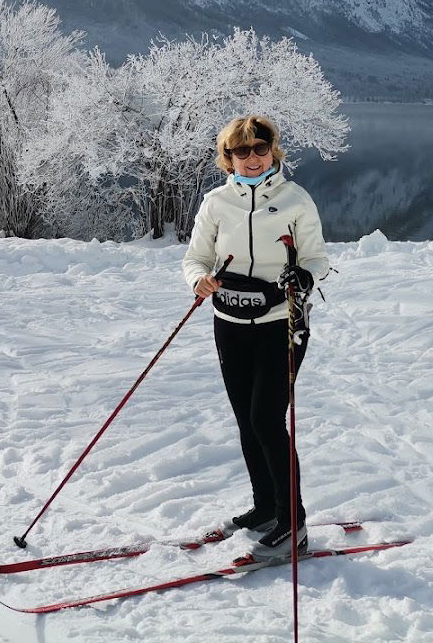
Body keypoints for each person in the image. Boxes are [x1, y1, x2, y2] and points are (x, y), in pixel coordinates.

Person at [182, 114, 330, 556]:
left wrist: (303, 276)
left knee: (267, 419)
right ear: (227, 157)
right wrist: (198, 280)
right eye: (240, 151)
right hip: (229, 325)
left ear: (273, 151)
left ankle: (293, 524)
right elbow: (195, 258)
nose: (251, 158)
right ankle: (265, 506)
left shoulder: (295, 201)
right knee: (247, 420)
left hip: (281, 325)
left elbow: (318, 258)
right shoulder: (215, 203)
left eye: (259, 149)